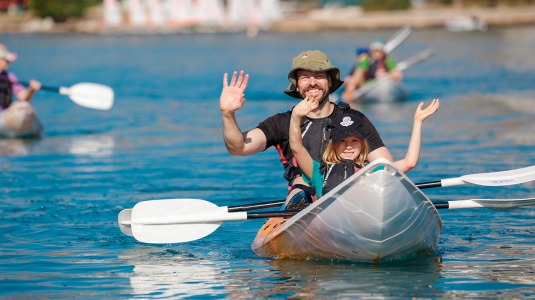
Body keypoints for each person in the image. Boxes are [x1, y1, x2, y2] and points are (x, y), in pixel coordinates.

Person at [220, 50, 394, 209]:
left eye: (319, 76)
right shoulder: (281, 123)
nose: (312, 83)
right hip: (304, 198)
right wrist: (227, 113)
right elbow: (239, 147)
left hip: (352, 192)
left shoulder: (354, 119)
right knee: (301, 188)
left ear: (330, 81)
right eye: (304, 77)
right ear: (297, 86)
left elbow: (385, 166)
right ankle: (296, 207)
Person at [289, 97, 439, 204]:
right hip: (331, 226)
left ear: (362, 144)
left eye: (354, 141)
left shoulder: (374, 172)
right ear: (333, 145)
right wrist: (296, 116)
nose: (349, 146)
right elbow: (296, 147)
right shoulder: (318, 172)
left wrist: (418, 122)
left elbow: (410, 162)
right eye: (342, 141)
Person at [342, 38, 402, 103]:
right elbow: (357, 77)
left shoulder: (388, 61)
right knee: (351, 85)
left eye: (380, 51)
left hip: (382, 81)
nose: (378, 53)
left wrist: (386, 75)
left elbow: (398, 76)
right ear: (372, 51)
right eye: (376, 51)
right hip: (367, 84)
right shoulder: (365, 61)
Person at [0, 44, 41, 131]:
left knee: (21, 106)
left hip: (4, 114)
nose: (8, 62)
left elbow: (24, 99)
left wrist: (32, 90)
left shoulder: (9, 77)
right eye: (5, 60)